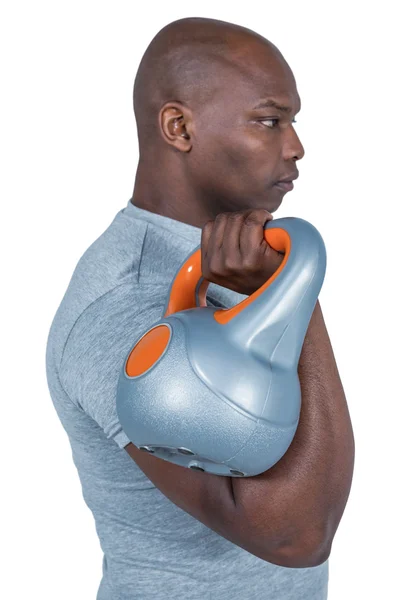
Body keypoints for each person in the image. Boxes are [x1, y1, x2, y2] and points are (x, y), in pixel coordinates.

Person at [45, 16, 355, 600]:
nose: (296, 147)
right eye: (269, 121)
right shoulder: (127, 306)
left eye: (292, 122)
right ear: (179, 127)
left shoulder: (240, 259)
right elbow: (296, 537)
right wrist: (299, 293)